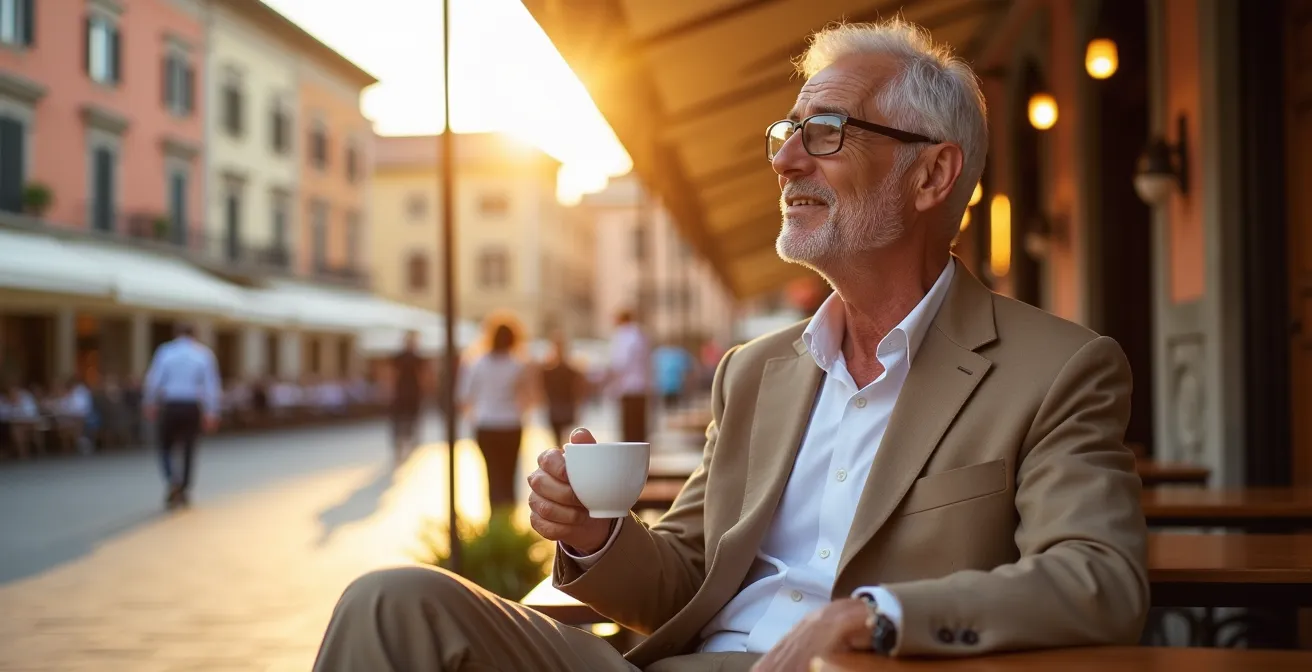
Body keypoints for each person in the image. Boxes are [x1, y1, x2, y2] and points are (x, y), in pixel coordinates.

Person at [312, 19, 1147, 671]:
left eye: (825, 132)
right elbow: (683, 576)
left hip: (865, 670)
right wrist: (596, 537)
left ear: (931, 177)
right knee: (391, 604)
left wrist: (876, 617)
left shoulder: (1057, 368)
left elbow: (1101, 581)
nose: (785, 159)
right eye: (786, 131)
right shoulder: (755, 372)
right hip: (682, 665)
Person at [457, 314, 536, 510]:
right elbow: (530, 398)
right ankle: (508, 516)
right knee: (510, 473)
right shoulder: (518, 365)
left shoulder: (477, 363)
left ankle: (494, 516)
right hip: (511, 423)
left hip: (485, 424)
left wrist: (473, 415)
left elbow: (464, 396)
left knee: (491, 473)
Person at [143, 323, 221, 509]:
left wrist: (150, 402)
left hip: (171, 404)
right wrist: (212, 412)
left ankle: (172, 480)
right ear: (195, 334)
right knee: (189, 448)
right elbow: (211, 385)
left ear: (176, 333)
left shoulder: (166, 351)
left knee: (165, 446)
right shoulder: (203, 354)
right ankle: (184, 487)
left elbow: (154, 379)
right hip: (191, 405)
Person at [608, 309, 651, 442]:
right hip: (641, 386)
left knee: (630, 428)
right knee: (639, 426)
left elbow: (620, 362)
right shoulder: (640, 334)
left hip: (628, 386)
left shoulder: (623, 335)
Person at [540, 331, 587, 448]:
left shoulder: (551, 370)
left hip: (563, 407)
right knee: (563, 440)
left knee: (562, 440)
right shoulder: (552, 370)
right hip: (559, 406)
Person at [390, 331, 425, 463]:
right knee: (402, 420)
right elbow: (394, 374)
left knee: (411, 419)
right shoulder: (400, 357)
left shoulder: (417, 358)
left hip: (411, 393)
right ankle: (402, 443)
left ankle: (409, 442)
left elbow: (422, 376)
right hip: (402, 393)